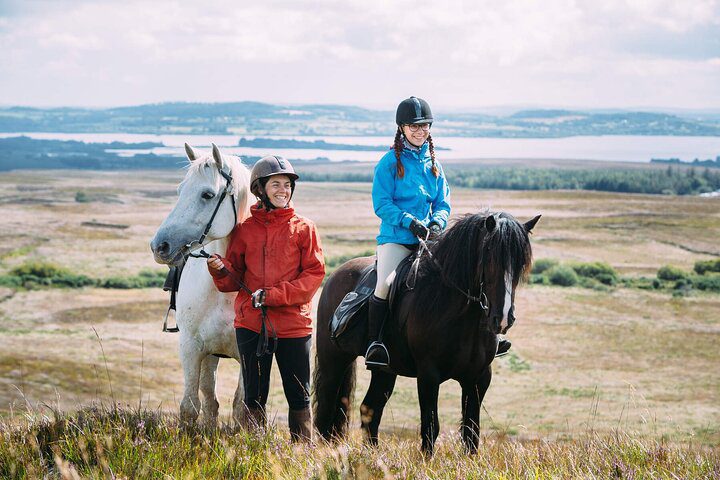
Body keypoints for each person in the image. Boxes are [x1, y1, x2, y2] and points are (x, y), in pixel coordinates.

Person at [206, 155, 325, 442]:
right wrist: (220, 270)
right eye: (276, 184)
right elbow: (230, 280)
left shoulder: (304, 228)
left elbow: (313, 276)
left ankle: (302, 453)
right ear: (260, 189)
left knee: (299, 395)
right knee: (254, 395)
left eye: (287, 185)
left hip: (293, 326)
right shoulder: (245, 230)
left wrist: (272, 296)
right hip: (251, 326)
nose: (283, 190)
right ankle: (254, 451)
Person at [365, 96, 451, 369]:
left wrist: (437, 221)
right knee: (385, 284)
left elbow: (443, 202)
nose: (419, 131)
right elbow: (381, 203)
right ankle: (375, 343)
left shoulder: (434, 163)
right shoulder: (389, 162)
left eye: (424, 125)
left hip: (429, 241)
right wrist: (408, 221)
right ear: (401, 128)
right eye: (413, 126)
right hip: (397, 239)